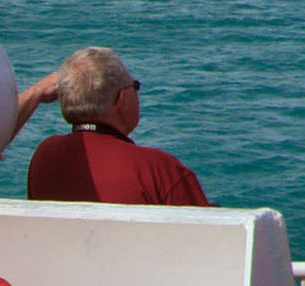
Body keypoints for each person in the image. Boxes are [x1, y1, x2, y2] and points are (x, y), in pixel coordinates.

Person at [11, 47, 211, 207]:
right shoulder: (158, 170)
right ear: (121, 100)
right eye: (135, 86)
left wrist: (36, 92)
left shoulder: (45, 156)